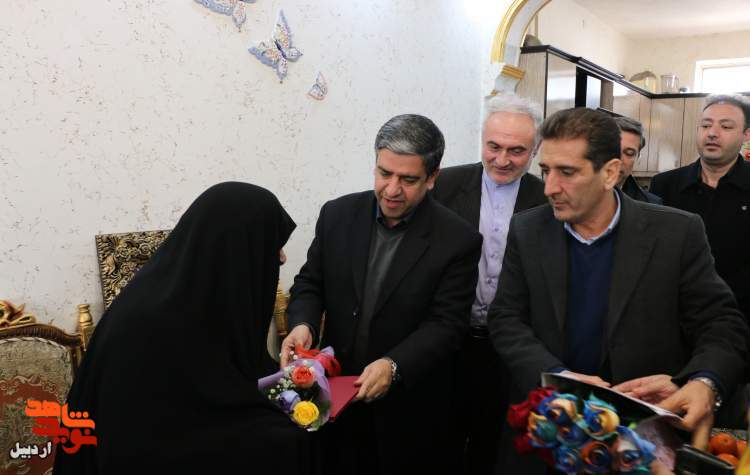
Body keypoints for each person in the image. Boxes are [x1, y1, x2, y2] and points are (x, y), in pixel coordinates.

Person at [488, 107, 748, 474]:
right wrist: (556, 377)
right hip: (549, 434)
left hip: (643, 444)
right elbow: (506, 318)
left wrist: (705, 381)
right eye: (545, 170)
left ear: (610, 172)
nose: (549, 188)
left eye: (567, 172)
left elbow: (721, 324)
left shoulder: (676, 233)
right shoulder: (528, 230)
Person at [53, 182, 310, 474]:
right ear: (236, 248)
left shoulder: (201, 304)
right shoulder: (144, 328)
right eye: (272, 244)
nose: (282, 257)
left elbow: (224, 387)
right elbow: (151, 443)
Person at [280, 114, 482, 474]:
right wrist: (303, 324)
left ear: (432, 177)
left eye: (408, 179)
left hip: (407, 411)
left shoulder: (458, 239)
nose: (391, 189)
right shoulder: (337, 214)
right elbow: (310, 283)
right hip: (333, 397)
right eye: (384, 173)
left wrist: (394, 365)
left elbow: (446, 324)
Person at [431, 93, 546, 475]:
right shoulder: (444, 186)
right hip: (449, 341)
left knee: (495, 445)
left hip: (511, 349)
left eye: (517, 151)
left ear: (535, 150)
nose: (502, 159)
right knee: (441, 441)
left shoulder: (547, 198)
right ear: (481, 140)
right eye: (493, 147)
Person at [650, 94, 750, 323]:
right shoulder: (664, 185)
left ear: (746, 134)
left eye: (726, 126)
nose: (712, 133)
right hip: (677, 317)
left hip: (742, 317)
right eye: (706, 125)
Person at [613, 116, 662, 204]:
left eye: (629, 153)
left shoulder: (650, 204)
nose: (619, 159)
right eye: (613, 149)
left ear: (638, 158)